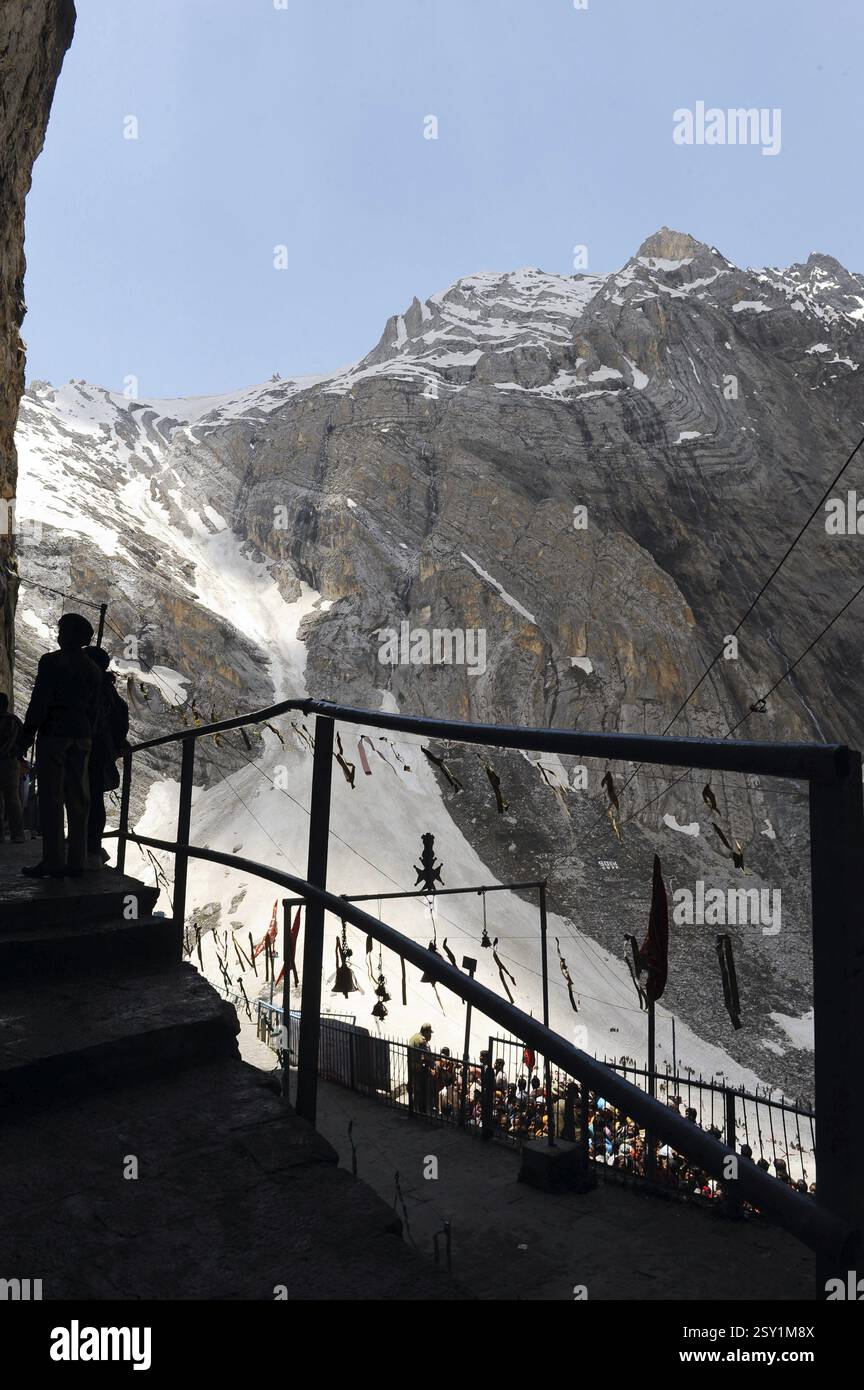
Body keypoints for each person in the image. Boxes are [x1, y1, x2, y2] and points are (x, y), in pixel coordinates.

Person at [20, 613, 101, 878]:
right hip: (82, 736)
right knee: (79, 799)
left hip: (54, 735)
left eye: (61, 629)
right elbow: (94, 709)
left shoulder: (51, 662)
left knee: (52, 797)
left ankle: (54, 861)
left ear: (66, 635)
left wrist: (27, 733)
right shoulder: (93, 669)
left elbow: (40, 700)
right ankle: (77, 861)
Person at [85, 646, 130, 869]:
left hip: (87, 750)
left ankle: (87, 847)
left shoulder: (91, 688)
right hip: (103, 752)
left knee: (82, 798)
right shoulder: (110, 692)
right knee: (94, 799)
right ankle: (91, 848)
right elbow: (121, 722)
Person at [0, 693, 25, 842]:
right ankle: (18, 834)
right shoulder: (14, 721)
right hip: (11, 762)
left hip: (8, 760)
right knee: (13, 799)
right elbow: (23, 740)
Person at [407, 1023, 434, 1114]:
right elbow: (427, 1056)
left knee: (415, 1088)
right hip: (419, 1069)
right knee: (421, 1090)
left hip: (412, 1066)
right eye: (430, 1033)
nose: (430, 1036)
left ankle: (414, 1108)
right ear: (426, 1032)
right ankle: (420, 1111)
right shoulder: (422, 1041)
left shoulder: (414, 1037)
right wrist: (433, 1065)